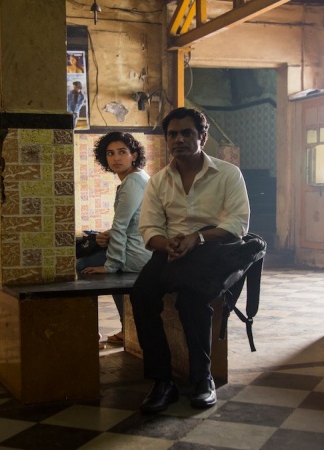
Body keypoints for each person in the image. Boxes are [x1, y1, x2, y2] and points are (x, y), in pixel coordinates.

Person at [131, 107, 250, 414]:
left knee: (191, 298)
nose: (179, 139)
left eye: (187, 133)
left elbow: (237, 224)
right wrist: (167, 243)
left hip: (212, 250)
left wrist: (196, 238)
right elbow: (150, 227)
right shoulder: (158, 181)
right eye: (172, 134)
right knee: (141, 294)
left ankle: (202, 379)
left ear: (202, 137)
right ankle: (162, 382)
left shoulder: (227, 174)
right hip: (170, 251)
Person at [77, 132, 152, 344]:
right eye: (110, 153)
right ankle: (126, 327)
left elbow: (121, 225)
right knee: (101, 266)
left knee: (81, 265)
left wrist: (111, 265)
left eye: (122, 152)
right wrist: (107, 236)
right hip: (143, 248)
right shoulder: (139, 178)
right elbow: (132, 222)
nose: (116, 158)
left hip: (136, 253)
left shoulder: (132, 182)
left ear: (134, 155)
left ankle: (89, 332)